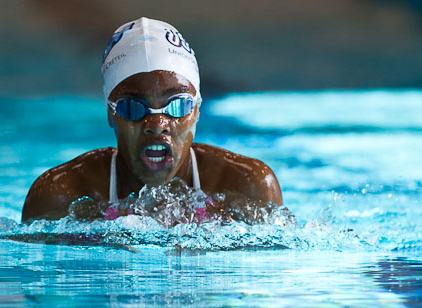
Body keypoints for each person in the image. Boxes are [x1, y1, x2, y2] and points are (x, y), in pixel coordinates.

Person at [22, 17, 282, 223]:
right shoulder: (60, 196)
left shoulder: (248, 187)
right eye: (133, 107)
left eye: (177, 105)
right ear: (111, 114)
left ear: (197, 111)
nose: (157, 125)